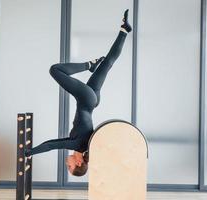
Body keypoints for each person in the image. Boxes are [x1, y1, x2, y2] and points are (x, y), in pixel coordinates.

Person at [25, 9, 132, 176]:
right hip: (86, 100)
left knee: (107, 64)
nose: (67, 165)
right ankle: (89, 65)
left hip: (92, 101)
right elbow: (51, 146)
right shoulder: (79, 146)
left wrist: (31, 151)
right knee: (55, 70)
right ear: (78, 162)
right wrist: (28, 153)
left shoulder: (81, 145)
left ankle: (124, 31)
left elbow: (53, 142)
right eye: (70, 167)